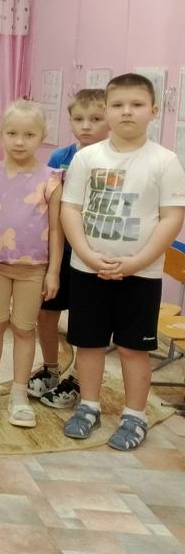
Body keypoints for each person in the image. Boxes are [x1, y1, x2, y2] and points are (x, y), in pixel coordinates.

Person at [60, 73, 185, 450]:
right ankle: (88, 406)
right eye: (117, 105)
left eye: (136, 104)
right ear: (107, 110)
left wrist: (137, 262)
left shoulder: (165, 161)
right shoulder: (87, 158)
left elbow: (171, 217)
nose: (126, 111)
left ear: (154, 111)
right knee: (89, 344)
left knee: (133, 348)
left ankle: (135, 415)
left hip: (141, 274)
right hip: (88, 270)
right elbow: (70, 209)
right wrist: (86, 254)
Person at [0, 101, 63, 428]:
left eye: (29, 135)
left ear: (42, 136)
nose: (19, 141)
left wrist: (53, 271)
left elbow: (56, 230)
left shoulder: (51, 179)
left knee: (24, 329)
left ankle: (20, 394)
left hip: (33, 269)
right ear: (2, 134)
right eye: (12, 134)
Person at [28, 88, 107, 409]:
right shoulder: (59, 157)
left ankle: (76, 379)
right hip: (59, 250)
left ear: (109, 121)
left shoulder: (110, 160)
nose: (86, 126)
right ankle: (50, 368)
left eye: (95, 119)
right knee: (46, 313)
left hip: (93, 251)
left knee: (85, 320)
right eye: (79, 119)